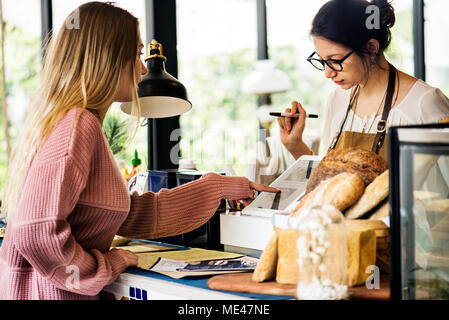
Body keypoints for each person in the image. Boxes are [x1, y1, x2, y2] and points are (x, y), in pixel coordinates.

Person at [0, 2, 278, 300]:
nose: (143, 68)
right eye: (135, 54)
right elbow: (36, 231)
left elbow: (124, 215)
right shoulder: (77, 125)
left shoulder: (73, 120)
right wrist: (105, 265)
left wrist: (218, 186)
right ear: (105, 58)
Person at [278, 0, 449, 161]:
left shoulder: (424, 103)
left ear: (371, 47)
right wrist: (294, 145)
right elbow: (328, 180)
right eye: (322, 61)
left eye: (335, 60)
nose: (327, 73)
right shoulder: (337, 100)